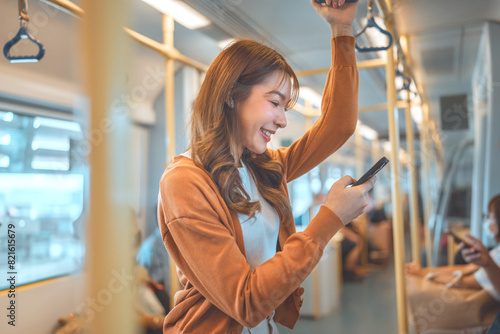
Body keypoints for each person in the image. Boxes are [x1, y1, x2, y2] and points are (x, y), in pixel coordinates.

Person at [157, 1, 374, 332]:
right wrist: (329, 219)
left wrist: (341, 29)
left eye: (285, 107)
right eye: (274, 102)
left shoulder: (265, 166)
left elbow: (339, 125)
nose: (283, 120)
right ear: (231, 94)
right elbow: (246, 300)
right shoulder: (184, 181)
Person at [405, 194, 500, 301]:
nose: (487, 223)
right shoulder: (497, 251)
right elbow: (464, 269)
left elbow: (462, 281)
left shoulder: (496, 258)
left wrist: (420, 273)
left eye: (491, 217)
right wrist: (424, 271)